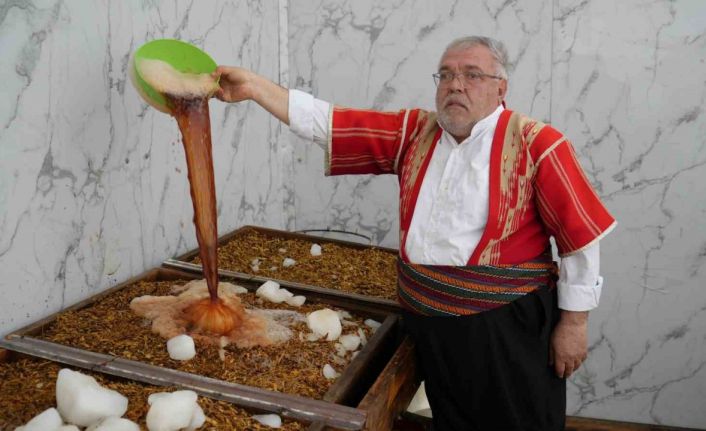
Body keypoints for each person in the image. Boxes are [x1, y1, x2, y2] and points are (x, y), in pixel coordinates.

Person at [213, 36, 616, 431]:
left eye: (472, 75)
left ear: (501, 87)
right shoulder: (415, 132)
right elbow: (330, 122)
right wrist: (255, 87)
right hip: (427, 322)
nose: (455, 85)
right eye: (446, 75)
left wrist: (574, 325)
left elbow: (579, 240)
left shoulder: (537, 143)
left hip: (504, 328)